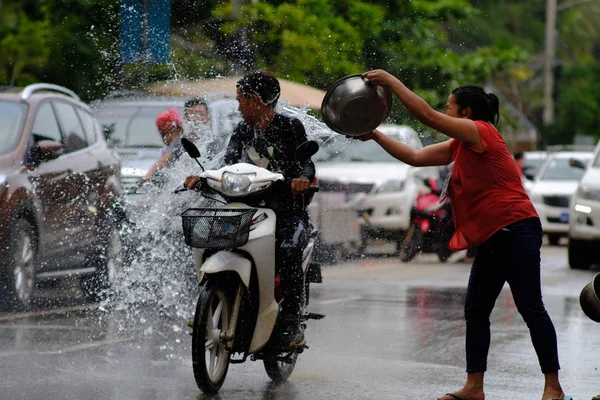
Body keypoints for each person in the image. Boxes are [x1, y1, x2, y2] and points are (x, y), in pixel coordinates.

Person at [351, 69, 567, 400]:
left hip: (516, 228)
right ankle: (474, 388)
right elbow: (414, 156)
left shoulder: (481, 132)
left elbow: (426, 116)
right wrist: (375, 135)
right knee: (476, 310)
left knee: (530, 307)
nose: (445, 111)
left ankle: (552, 387)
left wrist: (391, 82)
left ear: (465, 112)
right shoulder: (460, 145)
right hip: (493, 236)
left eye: (449, 107)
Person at [183, 71, 314, 348]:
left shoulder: (291, 127)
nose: (238, 105)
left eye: (240, 99)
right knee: (211, 237)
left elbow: (307, 164)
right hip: (247, 208)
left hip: (286, 211)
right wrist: (204, 178)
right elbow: (228, 165)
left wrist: (301, 180)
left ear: (255, 100)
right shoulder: (242, 130)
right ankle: (208, 304)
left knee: (289, 249)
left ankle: (290, 320)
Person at [140, 108, 185, 184]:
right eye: (162, 134)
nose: (165, 138)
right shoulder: (180, 141)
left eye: (167, 133)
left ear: (177, 130)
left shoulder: (177, 141)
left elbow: (163, 161)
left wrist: (147, 176)